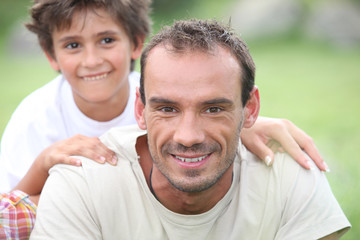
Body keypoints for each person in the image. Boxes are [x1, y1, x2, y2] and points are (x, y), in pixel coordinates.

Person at [31, 19, 350, 239]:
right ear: (140, 111)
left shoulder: (290, 175)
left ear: (249, 109)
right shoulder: (79, 185)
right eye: (167, 109)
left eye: (213, 109)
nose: (188, 136)